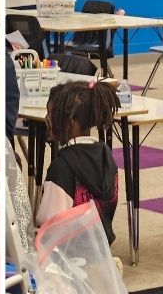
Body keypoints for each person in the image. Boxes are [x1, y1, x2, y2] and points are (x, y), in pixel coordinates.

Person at [35, 80, 120, 245]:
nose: (47, 120)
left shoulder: (61, 168)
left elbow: (50, 226)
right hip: (100, 251)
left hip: (67, 259)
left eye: (51, 114)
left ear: (71, 121)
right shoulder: (106, 155)